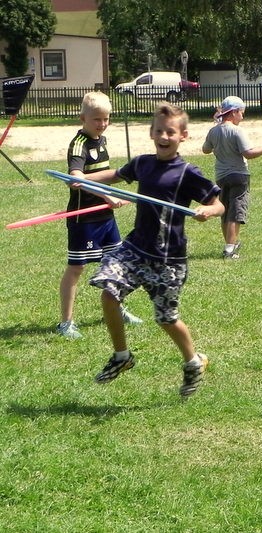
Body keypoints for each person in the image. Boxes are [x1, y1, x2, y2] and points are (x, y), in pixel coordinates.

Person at [85, 103, 225, 398]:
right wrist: (81, 179)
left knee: (166, 318)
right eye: (159, 131)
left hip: (168, 260)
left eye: (170, 132)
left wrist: (207, 211)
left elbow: (219, 204)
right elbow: (115, 175)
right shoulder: (143, 164)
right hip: (135, 248)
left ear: (183, 136)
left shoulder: (187, 172)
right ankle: (122, 356)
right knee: (109, 292)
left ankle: (193, 361)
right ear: (151, 132)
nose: (164, 136)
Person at [57, 91, 142, 340]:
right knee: (77, 268)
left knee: (115, 264)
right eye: (97, 119)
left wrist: (112, 196)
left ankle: (116, 310)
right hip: (83, 219)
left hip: (105, 217)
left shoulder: (101, 140)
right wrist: (107, 197)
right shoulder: (79, 144)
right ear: (82, 118)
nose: (102, 124)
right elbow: (77, 179)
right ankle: (66, 323)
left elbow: (103, 177)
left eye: (106, 119)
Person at [202, 95, 262, 260]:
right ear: (234, 112)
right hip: (239, 176)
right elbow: (248, 153)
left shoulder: (213, 131)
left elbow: (205, 149)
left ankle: (230, 244)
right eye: (242, 112)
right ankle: (230, 249)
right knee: (235, 213)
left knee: (225, 211)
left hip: (221, 177)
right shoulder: (237, 131)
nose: (242, 116)